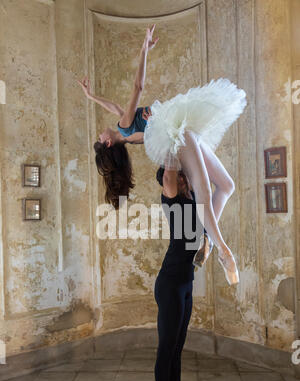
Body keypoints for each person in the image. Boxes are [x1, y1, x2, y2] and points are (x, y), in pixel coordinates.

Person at [78, 24, 247, 284]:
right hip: (175, 134)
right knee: (204, 190)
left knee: (226, 185)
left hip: (178, 132)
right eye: (99, 140)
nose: (99, 135)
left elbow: (114, 106)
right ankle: (223, 250)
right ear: (109, 144)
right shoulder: (124, 126)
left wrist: (91, 97)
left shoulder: (126, 131)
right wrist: (144, 49)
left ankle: (208, 240)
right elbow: (138, 86)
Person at [154, 166, 209, 381]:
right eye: (179, 178)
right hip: (170, 285)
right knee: (166, 350)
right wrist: (170, 137)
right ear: (170, 183)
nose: (184, 179)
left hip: (186, 283)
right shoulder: (171, 199)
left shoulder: (192, 199)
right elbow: (170, 174)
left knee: (177, 349)